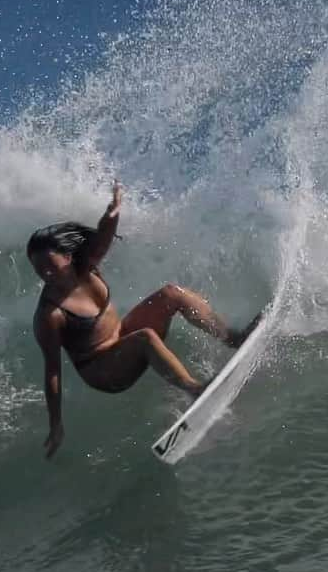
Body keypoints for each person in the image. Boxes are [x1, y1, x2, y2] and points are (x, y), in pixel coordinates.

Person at [28, 184, 260, 458]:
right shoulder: (50, 315)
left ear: (68, 257)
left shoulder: (86, 267)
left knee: (171, 294)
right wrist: (56, 424)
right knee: (145, 337)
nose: (45, 274)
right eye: (38, 269)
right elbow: (52, 371)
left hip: (121, 337)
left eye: (50, 266)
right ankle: (194, 389)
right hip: (103, 370)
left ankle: (233, 338)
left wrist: (112, 212)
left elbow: (103, 238)